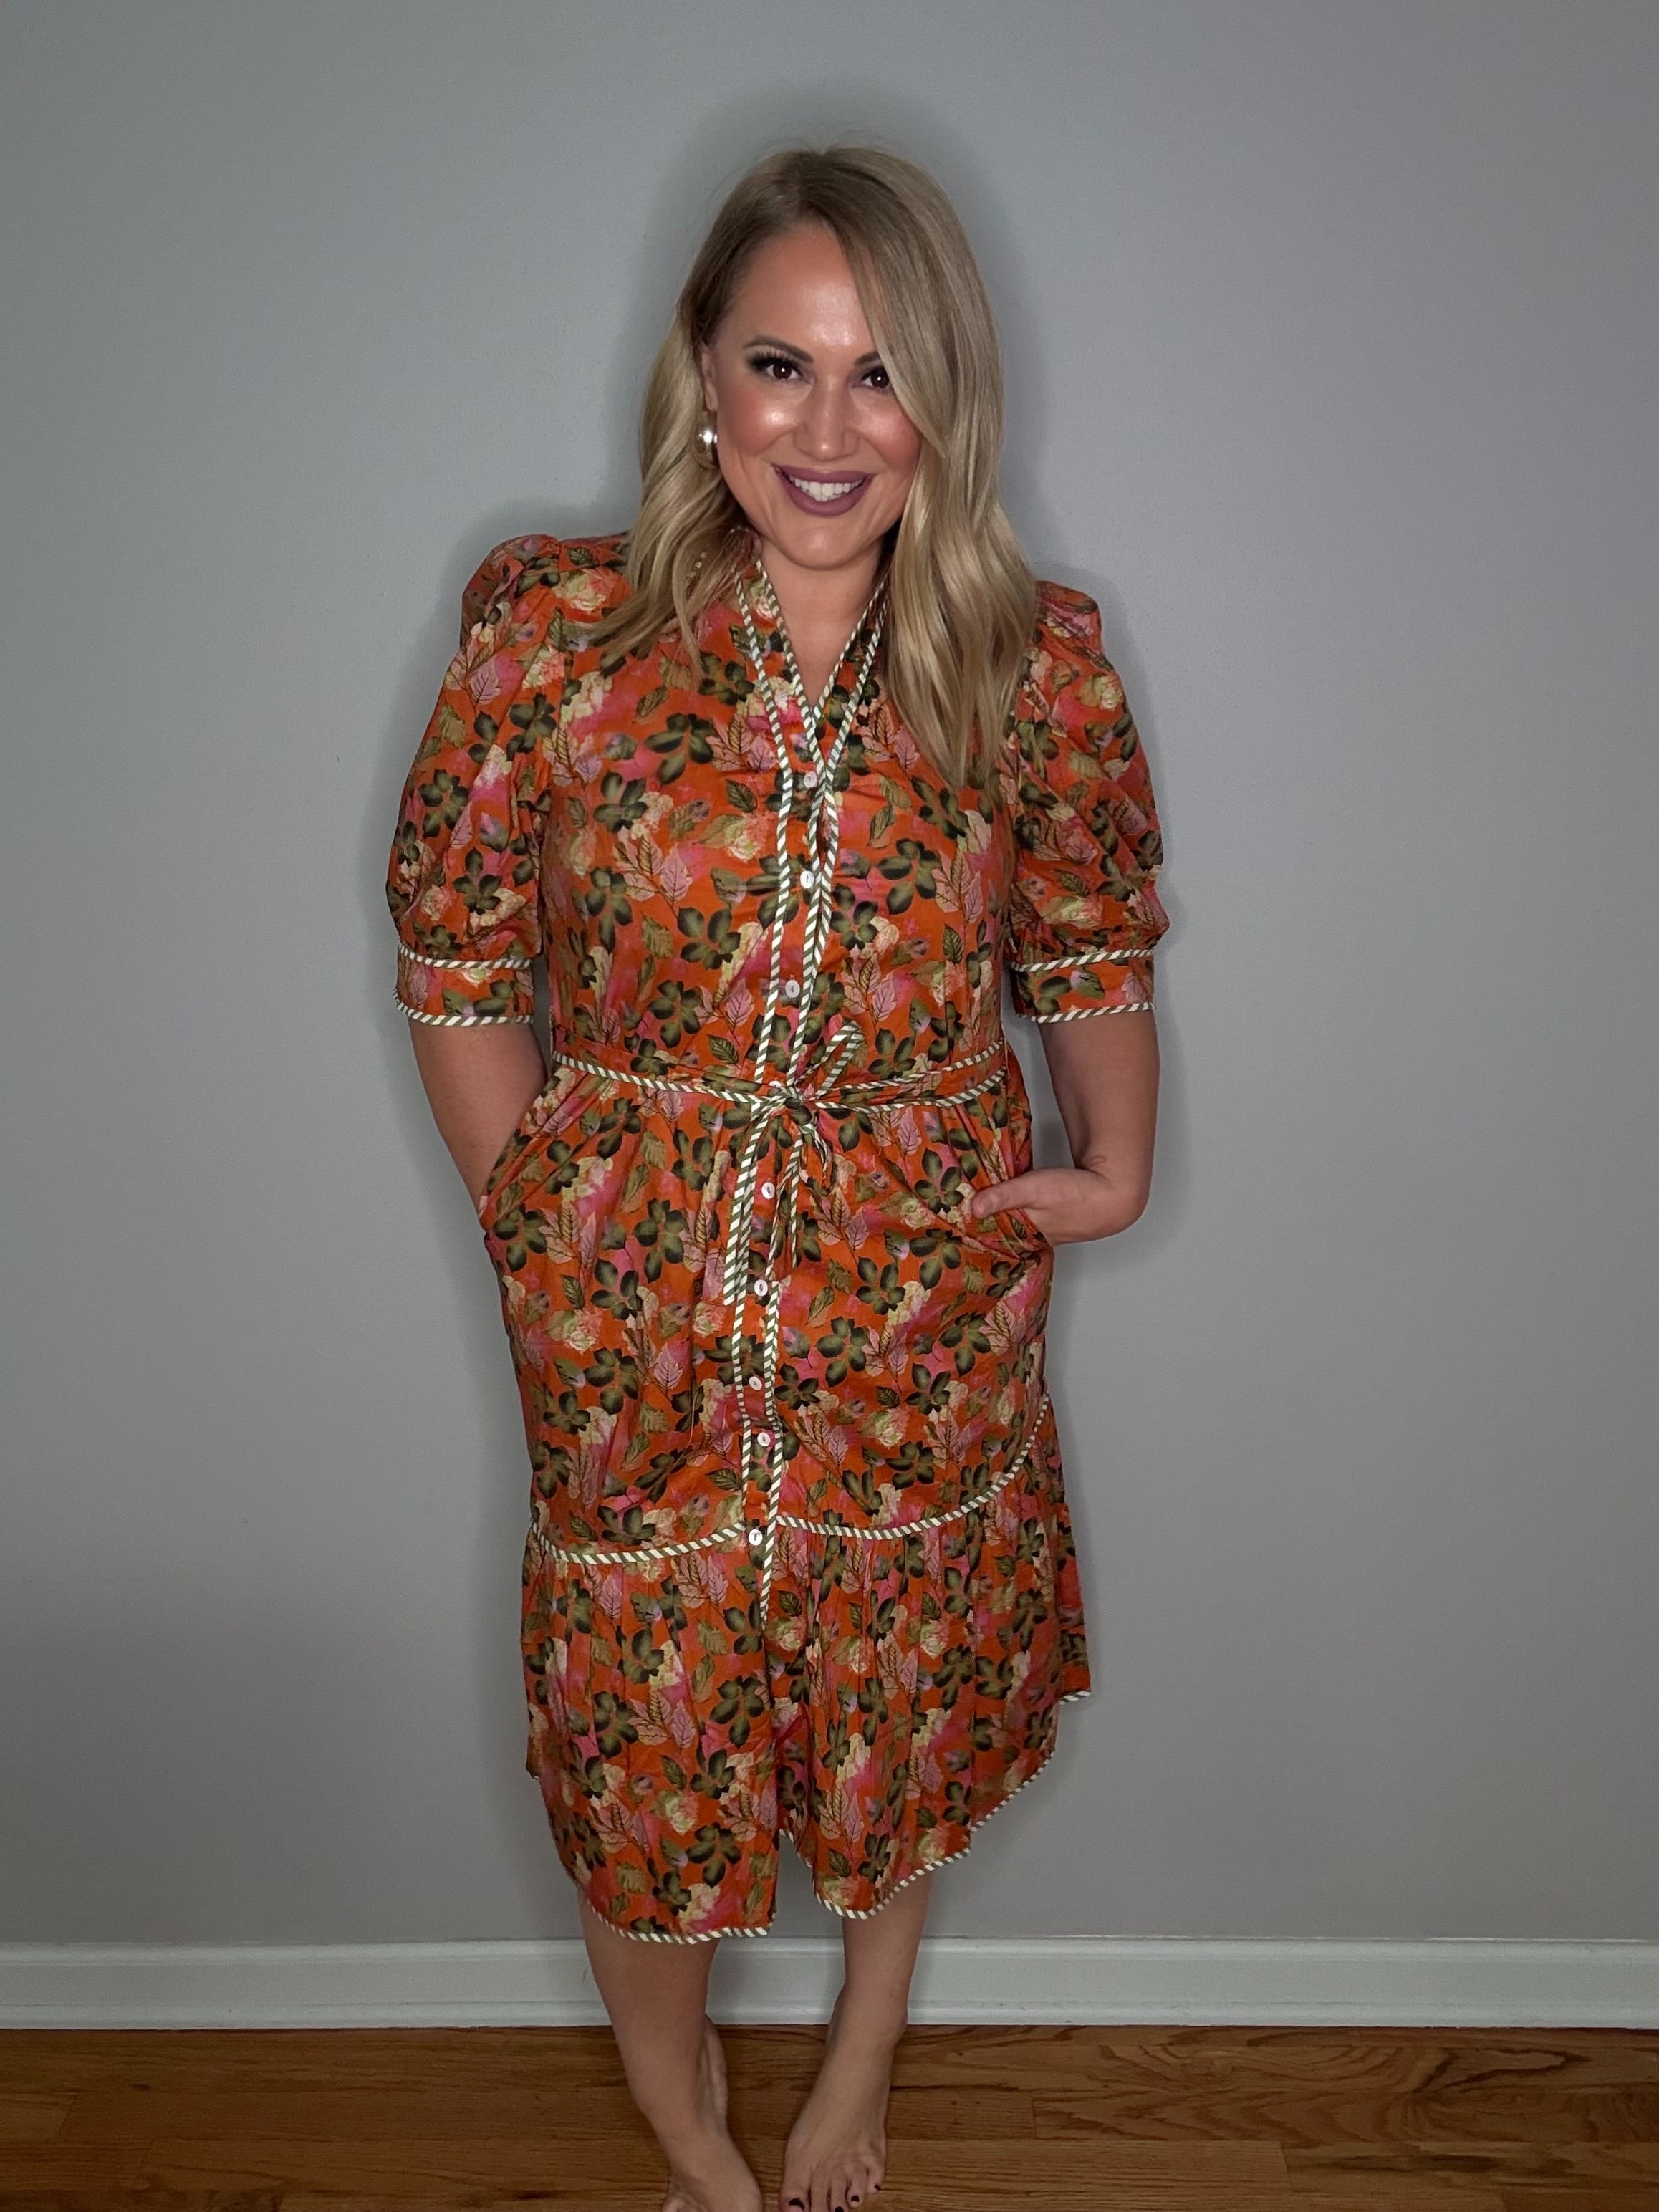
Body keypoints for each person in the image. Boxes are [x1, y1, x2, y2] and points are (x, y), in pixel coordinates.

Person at [385, 144, 1168, 2212]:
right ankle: (684, 2122)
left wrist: (1114, 1169)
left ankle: (861, 2052)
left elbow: (1090, 944)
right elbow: (456, 956)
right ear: (703, 374)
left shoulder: (1028, 662)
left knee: (900, 1687)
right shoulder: (557, 638)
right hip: (635, 1316)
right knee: (641, 1750)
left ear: (945, 402)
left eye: (882, 372)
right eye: (782, 363)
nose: (829, 428)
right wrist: (540, 1223)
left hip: (920, 1294)